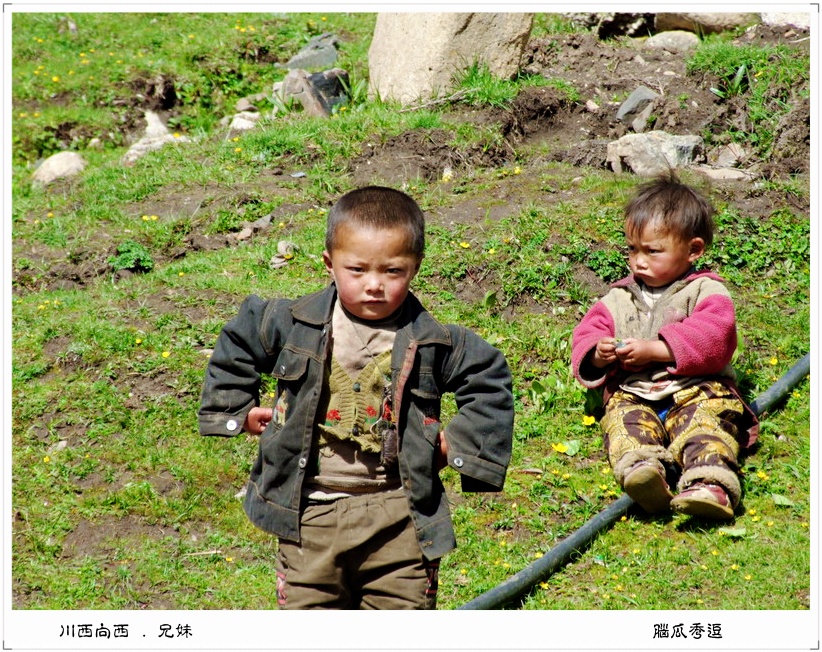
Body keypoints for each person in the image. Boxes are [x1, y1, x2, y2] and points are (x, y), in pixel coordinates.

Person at [199, 185, 514, 609]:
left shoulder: (433, 341)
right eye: (357, 270)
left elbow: (488, 376)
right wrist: (236, 409)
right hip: (308, 515)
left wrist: (460, 445)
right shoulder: (291, 323)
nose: (374, 285)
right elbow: (240, 339)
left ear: (415, 267)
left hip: (400, 516)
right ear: (330, 264)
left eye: (392, 271)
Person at [571, 172, 758, 521]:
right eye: (632, 249)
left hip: (697, 389)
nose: (638, 261)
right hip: (635, 392)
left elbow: (715, 337)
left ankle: (709, 485)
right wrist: (597, 353)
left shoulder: (705, 291)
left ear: (693, 250)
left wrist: (656, 350)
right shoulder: (618, 297)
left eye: (652, 251)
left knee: (705, 428)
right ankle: (645, 474)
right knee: (624, 425)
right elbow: (587, 332)